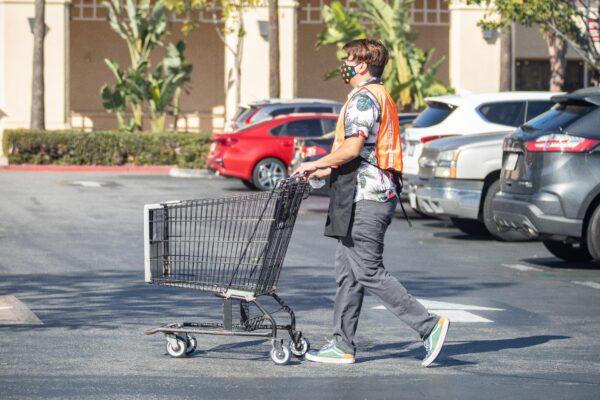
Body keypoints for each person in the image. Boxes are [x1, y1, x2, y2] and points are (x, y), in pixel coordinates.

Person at [294, 39, 449, 366]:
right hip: (363, 194)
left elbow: (352, 149)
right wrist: (323, 168)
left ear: (362, 65)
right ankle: (343, 345)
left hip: (366, 199)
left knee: (367, 270)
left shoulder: (364, 98)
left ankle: (428, 325)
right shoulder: (378, 94)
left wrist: (312, 163)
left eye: (348, 59)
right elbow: (364, 154)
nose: (344, 64)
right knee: (347, 273)